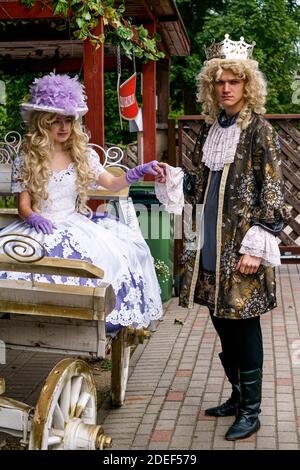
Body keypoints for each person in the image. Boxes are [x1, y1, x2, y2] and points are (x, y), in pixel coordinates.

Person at [158, 35, 288, 440]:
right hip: (209, 246)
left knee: (244, 328)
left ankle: (251, 411)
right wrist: (175, 177)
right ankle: (236, 394)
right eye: (220, 82)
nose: (226, 88)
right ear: (210, 85)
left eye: (234, 81)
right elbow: (202, 187)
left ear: (248, 85)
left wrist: (257, 244)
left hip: (242, 248)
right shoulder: (213, 130)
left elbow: (273, 192)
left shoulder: (259, 131)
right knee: (220, 321)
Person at [0, 72, 166, 332]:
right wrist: (33, 217)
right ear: (43, 123)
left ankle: (86, 324)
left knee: (107, 259)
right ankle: (32, 322)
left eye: (68, 120)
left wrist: (135, 172)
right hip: (39, 226)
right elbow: (24, 206)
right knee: (17, 261)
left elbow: (111, 184)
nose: (64, 127)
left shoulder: (83, 155)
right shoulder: (28, 157)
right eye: (56, 121)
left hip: (74, 223)